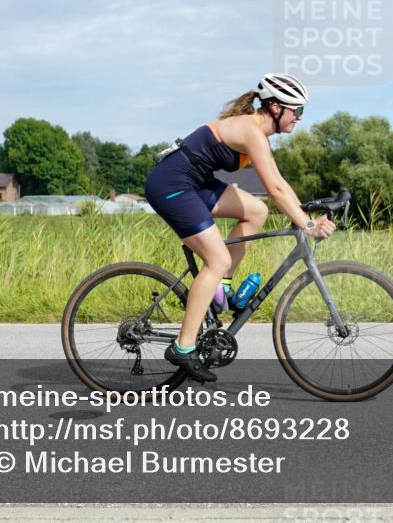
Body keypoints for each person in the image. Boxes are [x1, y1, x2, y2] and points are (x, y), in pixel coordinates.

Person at [144, 73, 336, 383]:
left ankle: (222, 289)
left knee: (256, 210)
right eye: (297, 111)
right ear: (275, 106)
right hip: (172, 184)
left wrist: (303, 211)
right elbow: (273, 187)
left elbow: (279, 183)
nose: (299, 118)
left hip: (195, 182)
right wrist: (309, 225)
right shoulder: (251, 131)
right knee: (217, 260)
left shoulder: (256, 131)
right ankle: (183, 346)